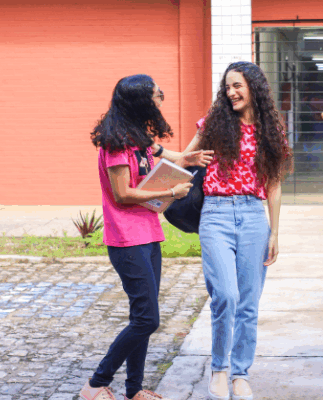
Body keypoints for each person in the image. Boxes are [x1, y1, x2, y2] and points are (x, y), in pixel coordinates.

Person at [81, 74, 210, 400]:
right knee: (147, 320)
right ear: (140, 101)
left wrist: (188, 155)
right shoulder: (116, 142)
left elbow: (169, 155)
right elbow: (123, 193)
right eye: (156, 94)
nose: (160, 99)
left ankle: (134, 390)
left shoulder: (138, 137)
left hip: (148, 233)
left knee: (141, 316)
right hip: (126, 239)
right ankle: (95, 384)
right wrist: (170, 192)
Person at [178, 61, 292, 400]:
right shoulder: (214, 122)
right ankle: (219, 369)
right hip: (215, 214)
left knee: (249, 303)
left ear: (254, 87)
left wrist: (274, 232)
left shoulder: (271, 130)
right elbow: (183, 159)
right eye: (227, 87)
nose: (231, 92)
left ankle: (240, 373)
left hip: (254, 216)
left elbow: (274, 184)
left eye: (237, 85)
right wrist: (190, 161)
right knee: (226, 295)